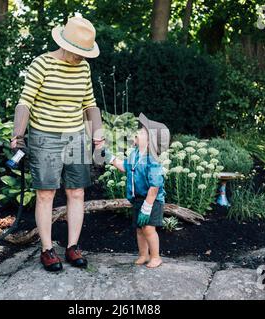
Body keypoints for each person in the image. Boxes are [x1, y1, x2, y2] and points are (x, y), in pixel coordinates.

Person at [10, 14, 104, 272]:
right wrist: (18, 135)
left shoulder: (83, 67)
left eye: (84, 53)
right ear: (64, 44)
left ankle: (72, 247)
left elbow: (89, 104)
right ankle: (47, 249)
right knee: (46, 193)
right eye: (77, 52)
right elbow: (25, 102)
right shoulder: (41, 64)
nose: (80, 57)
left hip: (75, 136)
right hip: (45, 136)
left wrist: (98, 136)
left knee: (77, 192)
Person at [103, 113, 170, 268]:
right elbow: (124, 167)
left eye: (142, 131)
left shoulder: (152, 160)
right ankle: (143, 254)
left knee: (148, 228)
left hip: (152, 201)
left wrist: (147, 207)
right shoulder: (135, 154)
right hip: (138, 198)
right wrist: (110, 158)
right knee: (139, 229)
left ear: (150, 142)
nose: (137, 132)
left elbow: (155, 187)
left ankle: (156, 256)